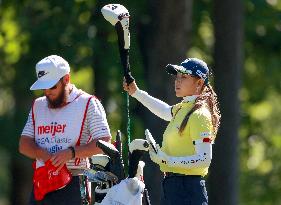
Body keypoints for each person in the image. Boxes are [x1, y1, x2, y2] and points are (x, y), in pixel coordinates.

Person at [123, 58, 221, 205]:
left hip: (188, 189)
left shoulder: (199, 115)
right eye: (177, 77)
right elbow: (164, 110)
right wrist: (136, 93)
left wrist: (167, 160)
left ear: (199, 83)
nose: (177, 81)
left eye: (184, 77)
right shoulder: (183, 108)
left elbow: (204, 159)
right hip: (173, 186)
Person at [19, 55, 112, 205]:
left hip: (74, 182)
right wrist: (42, 154)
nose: (48, 92)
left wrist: (71, 153)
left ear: (66, 79)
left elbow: (104, 142)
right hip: (42, 182)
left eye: (53, 86)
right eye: (44, 87)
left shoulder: (88, 103)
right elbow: (24, 144)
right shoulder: (38, 105)